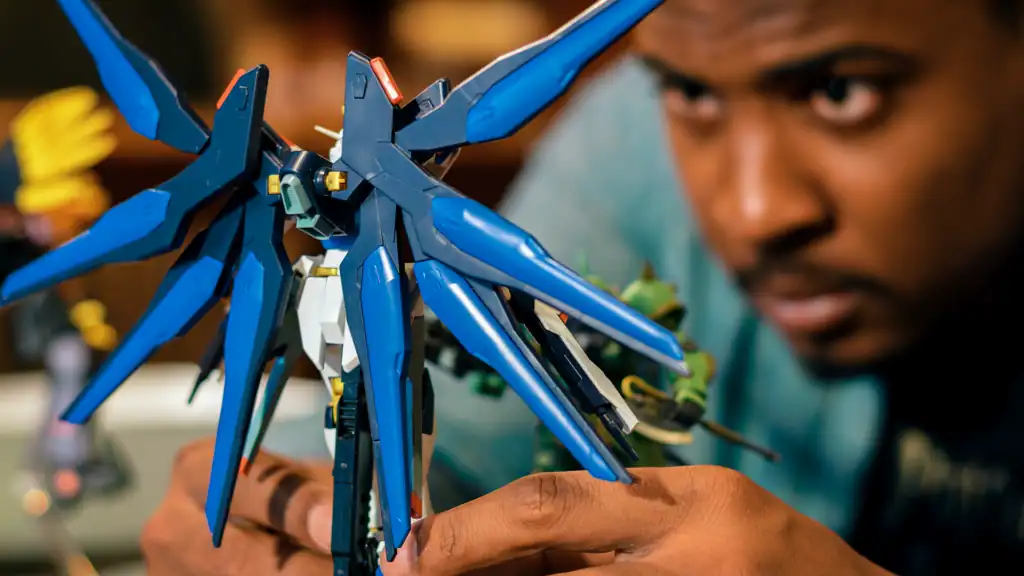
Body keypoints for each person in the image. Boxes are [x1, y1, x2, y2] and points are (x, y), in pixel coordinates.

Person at [139, 0, 1024, 574]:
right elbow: (449, 430)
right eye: (687, 92)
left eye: (841, 91)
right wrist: (279, 514)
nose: (755, 209)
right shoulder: (636, 134)